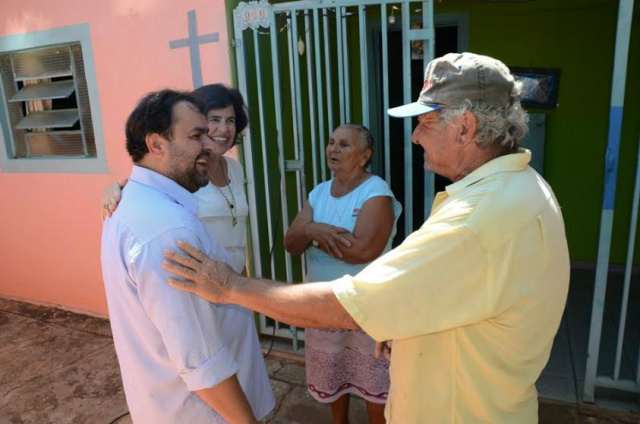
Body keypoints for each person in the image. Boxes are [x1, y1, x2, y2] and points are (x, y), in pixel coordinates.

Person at [162, 52, 570, 423]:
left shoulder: (476, 220)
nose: (415, 136)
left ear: (465, 128)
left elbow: (347, 298)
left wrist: (230, 285)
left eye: (426, 122)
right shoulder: (521, 187)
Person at [101, 89, 274, 423]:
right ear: (157, 145)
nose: (210, 141)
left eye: (228, 122)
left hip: (227, 309)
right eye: (199, 134)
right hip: (201, 411)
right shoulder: (168, 232)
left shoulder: (151, 201)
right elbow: (203, 363)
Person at [283, 124, 402, 424]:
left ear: (365, 156)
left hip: (366, 310)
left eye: (344, 145)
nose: (333, 149)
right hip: (324, 309)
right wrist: (313, 230)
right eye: (331, 142)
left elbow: (364, 251)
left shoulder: (376, 192)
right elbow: (290, 242)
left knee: (376, 390)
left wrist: (311, 234)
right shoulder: (319, 192)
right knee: (334, 383)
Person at [102, 83, 250, 275]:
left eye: (230, 120)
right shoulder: (186, 175)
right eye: (214, 120)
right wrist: (110, 197)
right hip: (205, 284)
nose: (224, 129)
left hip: (236, 283)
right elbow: (139, 193)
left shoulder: (235, 169)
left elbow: (236, 240)